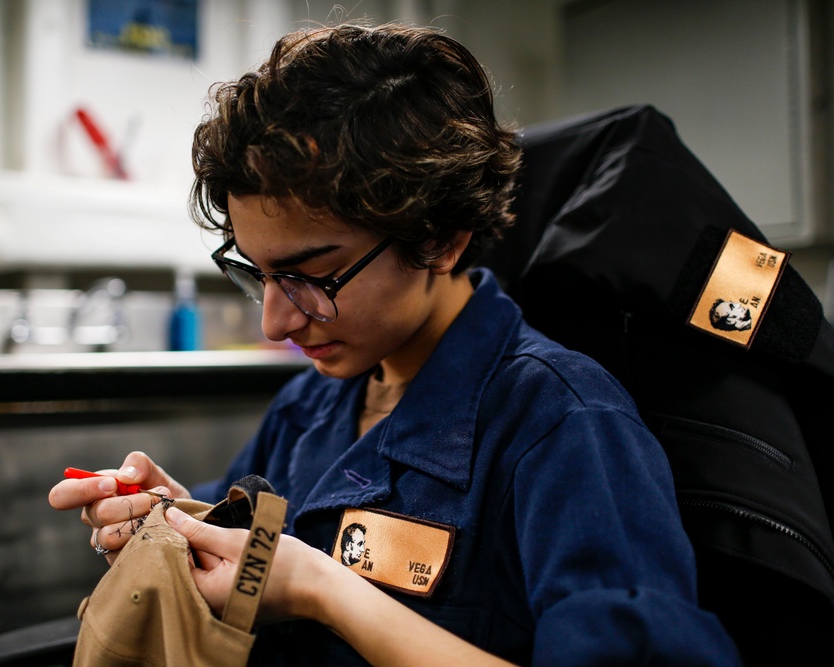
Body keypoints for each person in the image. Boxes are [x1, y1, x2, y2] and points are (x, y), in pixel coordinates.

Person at [49, 22, 742, 666]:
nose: (276, 325)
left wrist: (325, 588)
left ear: (439, 238)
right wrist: (175, 516)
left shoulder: (564, 428)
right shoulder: (309, 409)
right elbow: (242, 546)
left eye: (313, 276)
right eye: (256, 274)